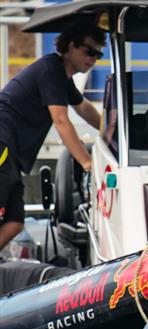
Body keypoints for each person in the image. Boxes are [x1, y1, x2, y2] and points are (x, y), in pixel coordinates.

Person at [0, 22, 106, 252]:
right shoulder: (51, 70)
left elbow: (84, 108)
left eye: (98, 54)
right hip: (3, 144)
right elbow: (61, 120)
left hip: (14, 156)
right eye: (89, 51)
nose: (93, 59)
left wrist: (110, 133)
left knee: (15, 222)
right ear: (72, 46)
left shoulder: (62, 78)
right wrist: (87, 163)